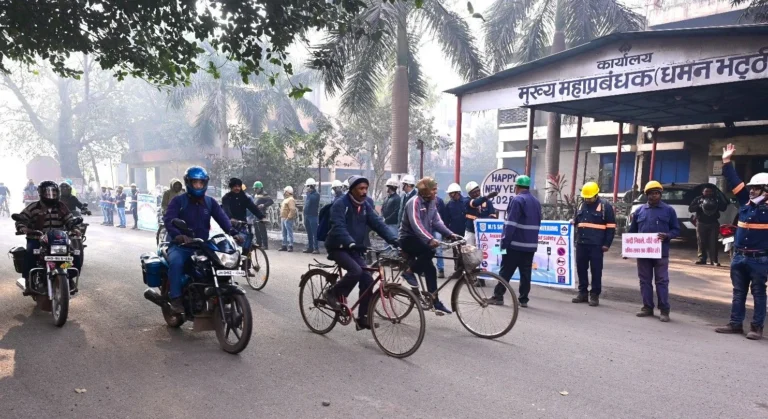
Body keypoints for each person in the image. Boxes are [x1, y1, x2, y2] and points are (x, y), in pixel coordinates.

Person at [322, 175, 399, 330]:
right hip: (338, 246)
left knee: (367, 279)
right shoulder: (340, 204)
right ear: (352, 189)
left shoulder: (364, 206)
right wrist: (350, 242)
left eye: (366, 188)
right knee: (356, 271)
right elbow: (338, 226)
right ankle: (331, 293)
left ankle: (363, 317)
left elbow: (378, 224)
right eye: (360, 188)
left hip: (354, 248)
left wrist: (394, 240)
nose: (364, 192)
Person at [163, 167, 239, 314]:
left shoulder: (210, 202)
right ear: (188, 183)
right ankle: (176, 299)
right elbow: (169, 219)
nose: (198, 186)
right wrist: (177, 235)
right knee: (176, 263)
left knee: (218, 264)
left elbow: (222, 218)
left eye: (201, 183)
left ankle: (216, 294)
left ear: (205, 184)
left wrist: (233, 232)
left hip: (202, 245)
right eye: (195, 182)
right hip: (181, 245)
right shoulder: (178, 201)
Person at [715, 144, 768, 340]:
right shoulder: (745, 201)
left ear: (766, 191)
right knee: (738, 293)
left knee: (759, 293)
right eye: (751, 188)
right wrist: (726, 161)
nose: (751, 191)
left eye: (756, 188)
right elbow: (734, 180)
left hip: (759, 260)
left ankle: (756, 327)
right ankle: (735, 324)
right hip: (739, 257)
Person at [399, 177, 461, 314]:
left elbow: (437, 221)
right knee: (429, 251)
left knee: (431, 270)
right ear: (425, 190)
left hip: (421, 239)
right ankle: (409, 272)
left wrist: (450, 234)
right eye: (433, 189)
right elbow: (416, 225)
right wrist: (429, 239)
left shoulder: (432, 202)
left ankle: (435, 301)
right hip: (408, 238)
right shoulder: (414, 202)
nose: (436, 191)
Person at [15, 181, 81, 293]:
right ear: (41, 193)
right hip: (37, 238)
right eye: (48, 193)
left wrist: (74, 228)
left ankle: (68, 278)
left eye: (54, 193)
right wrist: (22, 227)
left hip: (58, 239)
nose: (51, 196)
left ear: (58, 194)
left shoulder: (62, 207)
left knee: (74, 255)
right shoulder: (33, 207)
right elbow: (22, 219)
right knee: (30, 254)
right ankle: (28, 281)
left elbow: (69, 219)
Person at [629, 180, 680, 322]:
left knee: (662, 281)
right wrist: (628, 250)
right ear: (647, 195)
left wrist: (667, 236)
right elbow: (632, 232)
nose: (654, 196)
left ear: (660, 194)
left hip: (661, 253)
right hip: (643, 253)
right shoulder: (639, 211)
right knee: (644, 281)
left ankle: (664, 310)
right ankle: (647, 307)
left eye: (657, 193)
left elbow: (676, 230)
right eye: (651, 193)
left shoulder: (669, 210)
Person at [487, 175, 541, 308]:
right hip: (530, 246)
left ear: (516, 187)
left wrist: (504, 244)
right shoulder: (536, 202)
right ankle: (523, 299)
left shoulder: (517, 200)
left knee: (505, 271)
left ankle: (498, 296)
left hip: (515, 245)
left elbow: (510, 224)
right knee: (526, 273)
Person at [571, 182, 616, 307]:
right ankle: (582, 293)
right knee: (581, 269)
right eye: (585, 197)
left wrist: (607, 244)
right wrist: (573, 222)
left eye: (590, 198)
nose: (587, 200)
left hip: (597, 245)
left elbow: (611, 227)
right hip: (581, 243)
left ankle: (595, 295)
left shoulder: (605, 206)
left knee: (596, 270)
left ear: (596, 195)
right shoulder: (581, 205)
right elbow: (577, 221)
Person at [222, 177, 265, 251]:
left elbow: (253, 207)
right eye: (235, 186)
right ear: (231, 187)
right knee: (232, 247)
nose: (237, 188)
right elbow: (226, 210)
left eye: (239, 186)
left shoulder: (244, 197)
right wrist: (231, 218)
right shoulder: (226, 198)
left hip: (242, 224)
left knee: (246, 245)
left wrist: (262, 217)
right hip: (230, 225)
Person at [689, 185, 726, 266]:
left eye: (710, 191)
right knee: (701, 242)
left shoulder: (716, 199)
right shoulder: (698, 199)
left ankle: (714, 260)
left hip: (713, 223)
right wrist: (699, 205)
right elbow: (690, 209)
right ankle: (702, 259)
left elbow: (723, 208)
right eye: (706, 191)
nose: (708, 193)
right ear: (703, 192)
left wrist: (719, 199)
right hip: (701, 223)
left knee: (713, 242)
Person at [464, 181, 498, 245]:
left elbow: (493, 217)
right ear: (469, 194)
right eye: (474, 192)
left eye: (478, 191)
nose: (477, 193)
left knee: (483, 249)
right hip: (471, 231)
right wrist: (486, 197)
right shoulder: (467, 201)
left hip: (484, 232)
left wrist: (483, 220)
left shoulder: (488, 202)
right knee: (469, 249)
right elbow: (475, 203)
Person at [444, 183, 467, 278]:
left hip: (466, 232)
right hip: (454, 232)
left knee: (466, 252)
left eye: (451, 193)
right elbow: (446, 219)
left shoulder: (466, 202)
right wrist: (447, 233)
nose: (450, 195)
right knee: (456, 252)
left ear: (457, 193)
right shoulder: (449, 205)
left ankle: (467, 271)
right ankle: (457, 271)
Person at [253, 181, 274, 250]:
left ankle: (265, 245)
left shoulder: (264, 194)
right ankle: (258, 243)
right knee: (256, 230)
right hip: (255, 214)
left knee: (262, 230)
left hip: (261, 214)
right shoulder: (256, 195)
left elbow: (271, 201)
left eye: (256, 188)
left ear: (260, 188)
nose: (255, 190)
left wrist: (264, 205)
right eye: (254, 188)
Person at [303, 178, 321, 254]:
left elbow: (311, 201)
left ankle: (316, 248)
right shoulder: (309, 194)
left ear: (310, 186)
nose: (306, 188)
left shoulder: (316, 195)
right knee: (309, 233)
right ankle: (310, 247)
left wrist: (308, 193)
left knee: (314, 233)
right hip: (307, 215)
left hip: (313, 216)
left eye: (307, 186)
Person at [279, 186, 297, 252]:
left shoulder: (291, 199)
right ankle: (284, 245)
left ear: (288, 192)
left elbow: (292, 209)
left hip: (287, 218)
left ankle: (290, 245)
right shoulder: (286, 199)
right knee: (284, 233)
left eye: (285, 191)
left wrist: (289, 217)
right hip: (283, 217)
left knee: (289, 233)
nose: (284, 193)